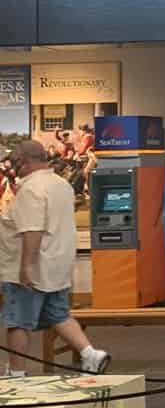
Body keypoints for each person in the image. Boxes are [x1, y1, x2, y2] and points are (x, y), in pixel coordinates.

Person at [0, 140, 110, 378]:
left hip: (32, 269)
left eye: (16, 162)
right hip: (58, 267)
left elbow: (32, 230)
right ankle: (90, 354)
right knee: (59, 315)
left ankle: (16, 374)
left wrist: (25, 268)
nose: (13, 167)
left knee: (18, 321)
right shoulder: (61, 184)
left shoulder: (30, 190)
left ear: (25, 163)